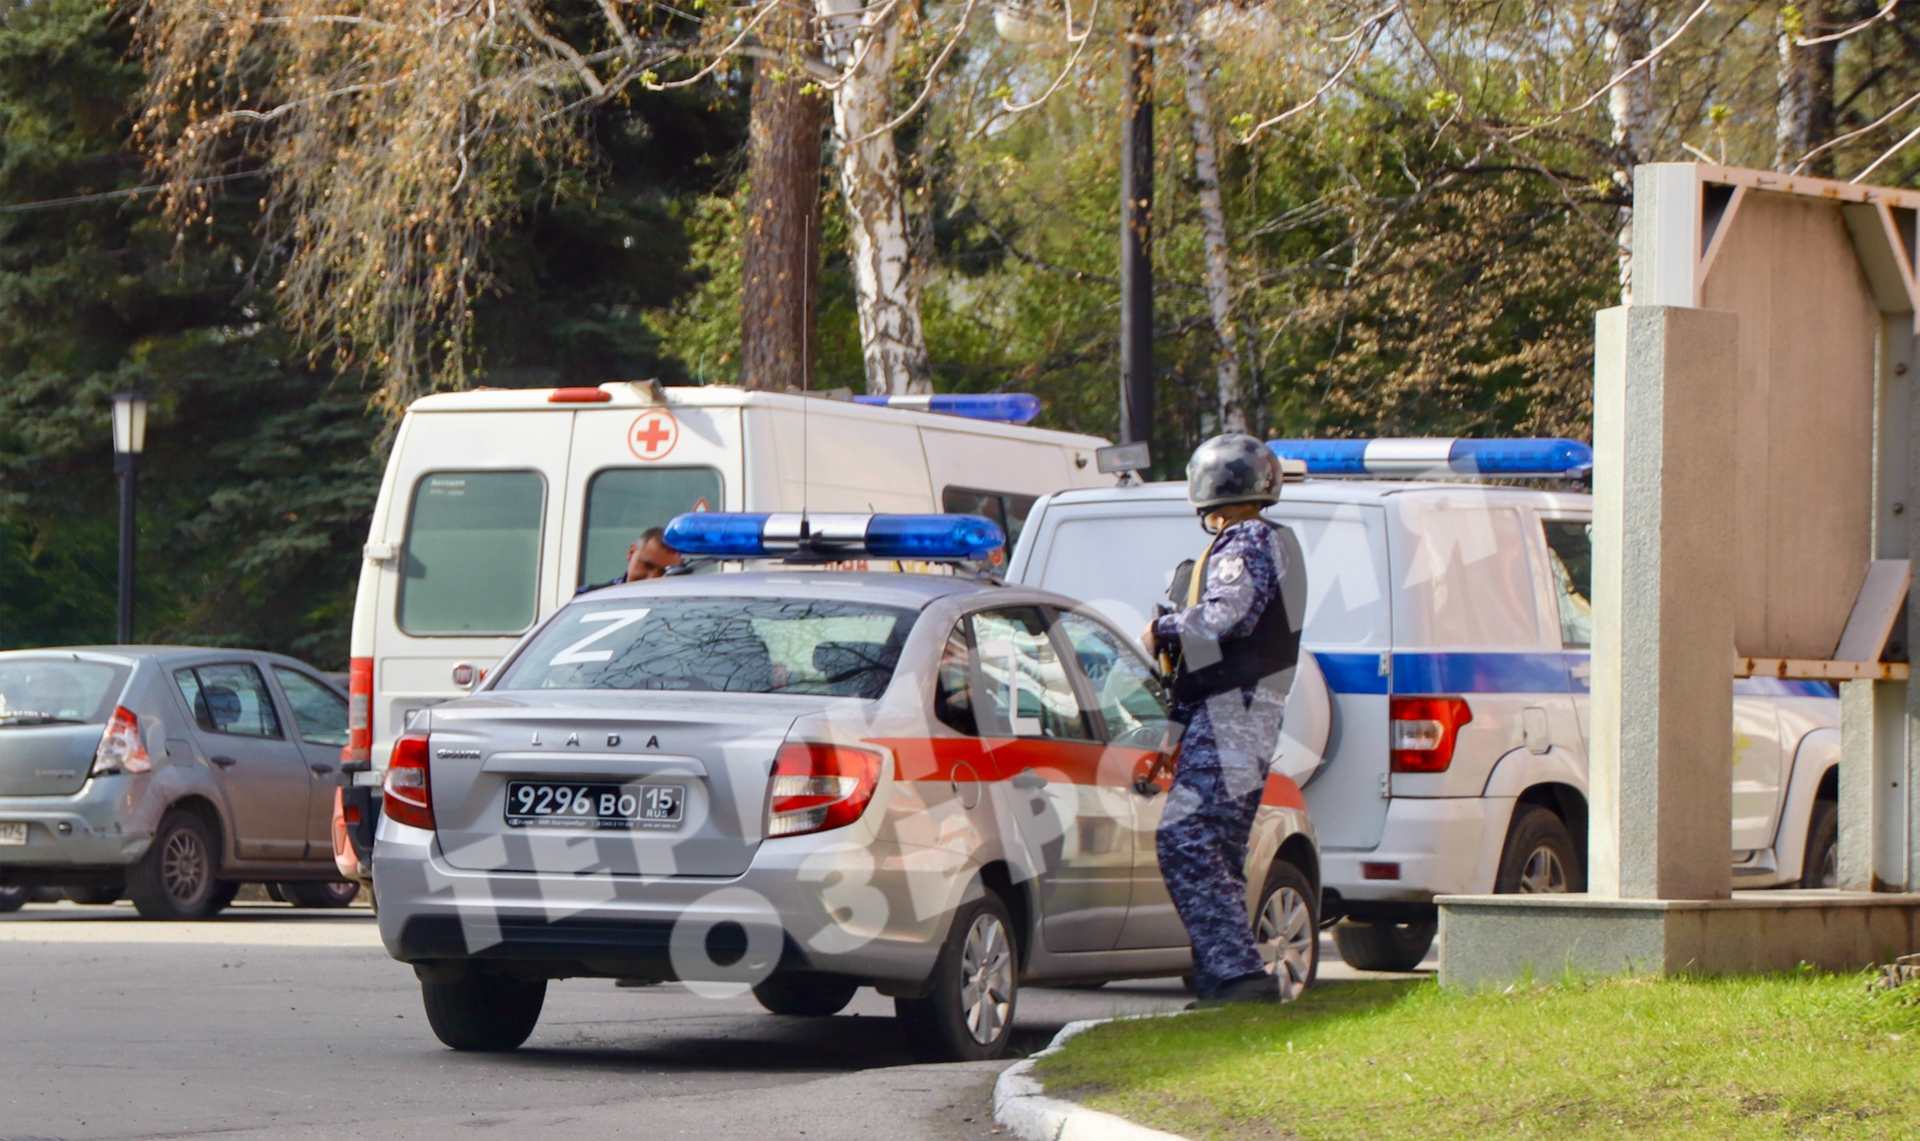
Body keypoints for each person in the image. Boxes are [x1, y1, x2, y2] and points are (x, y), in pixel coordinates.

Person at [1140, 434, 1305, 1007]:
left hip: (1235, 712)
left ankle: (1237, 976)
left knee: (1184, 837)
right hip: (1238, 710)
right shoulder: (1269, 539)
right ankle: (1222, 979)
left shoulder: (1247, 540)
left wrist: (1160, 629)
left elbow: (1224, 618)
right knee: (1217, 846)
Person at [576, 526, 682, 595]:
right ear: (631, 552)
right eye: (647, 565)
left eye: (664, 572)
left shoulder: (681, 610)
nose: (652, 578)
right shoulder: (589, 598)